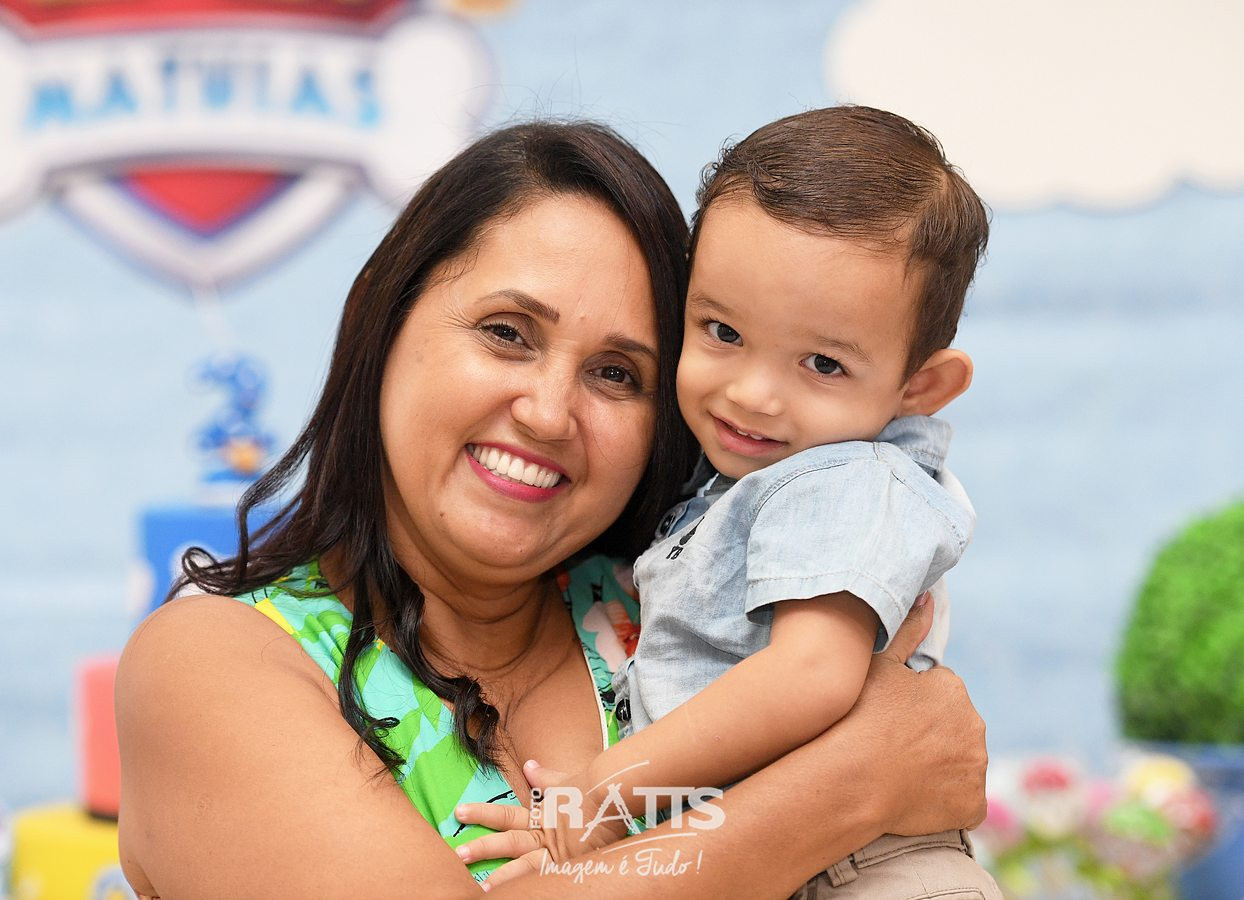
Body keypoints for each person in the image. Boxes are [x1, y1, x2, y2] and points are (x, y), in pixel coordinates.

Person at [115, 120, 989, 899]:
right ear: (381, 313)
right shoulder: (217, 662)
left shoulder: (675, 616)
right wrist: (853, 782)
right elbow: (872, 763)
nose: (546, 413)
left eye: (616, 374)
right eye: (507, 333)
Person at [455, 107, 1000, 898]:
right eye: (722, 331)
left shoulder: (843, 483)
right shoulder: (739, 481)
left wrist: (598, 798)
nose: (751, 394)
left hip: (870, 871)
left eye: (822, 363)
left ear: (921, 387)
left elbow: (811, 675)